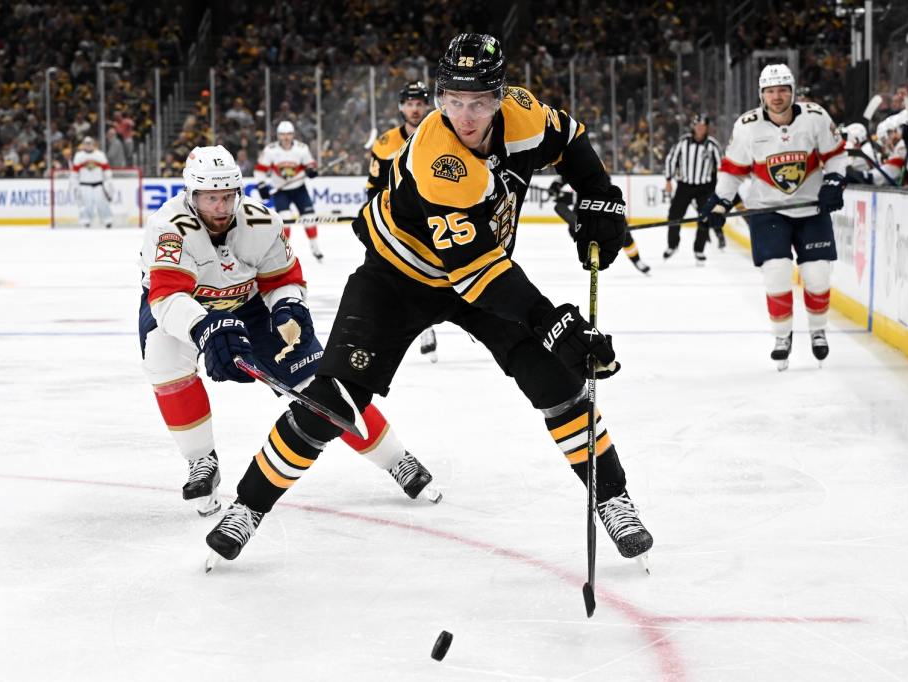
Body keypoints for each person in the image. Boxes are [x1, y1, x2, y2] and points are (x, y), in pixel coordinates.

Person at [205, 34, 653, 569]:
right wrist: (550, 321)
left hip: (484, 271)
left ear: (500, 96)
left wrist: (600, 195)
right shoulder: (439, 157)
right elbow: (477, 274)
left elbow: (572, 142)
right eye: (454, 102)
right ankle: (247, 507)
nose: (466, 116)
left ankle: (613, 498)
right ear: (440, 100)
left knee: (558, 382)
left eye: (479, 103)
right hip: (400, 278)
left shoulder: (524, 113)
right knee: (331, 403)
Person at [139, 145, 442, 517]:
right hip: (184, 306)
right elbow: (168, 296)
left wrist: (287, 305)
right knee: (164, 362)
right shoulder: (168, 227)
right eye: (211, 198)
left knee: (322, 385)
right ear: (192, 194)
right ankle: (201, 460)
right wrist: (204, 327)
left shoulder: (262, 221)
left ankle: (396, 458)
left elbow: (284, 278)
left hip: (249, 305)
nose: (220, 207)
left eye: (227, 197)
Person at [700, 64, 846, 370]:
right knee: (777, 272)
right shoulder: (747, 125)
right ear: (761, 95)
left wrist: (834, 181)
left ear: (792, 91)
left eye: (782, 90)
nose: (776, 97)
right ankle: (783, 336)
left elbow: (836, 155)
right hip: (767, 211)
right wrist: (720, 202)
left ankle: (818, 330)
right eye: (770, 91)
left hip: (812, 209)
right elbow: (733, 169)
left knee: (818, 274)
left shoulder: (815, 117)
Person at [365, 80, 440, 361]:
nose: (415, 109)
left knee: (426, 276)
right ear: (401, 107)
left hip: (430, 220)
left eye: (420, 103)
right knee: (383, 279)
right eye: (410, 103)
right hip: (393, 223)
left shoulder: (441, 137)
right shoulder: (385, 144)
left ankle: (426, 326)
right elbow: (373, 188)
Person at [549, 177, 650, 275]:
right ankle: (591, 250)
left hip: (605, 208)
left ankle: (636, 260)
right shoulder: (578, 169)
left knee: (626, 238)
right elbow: (561, 180)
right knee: (576, 231)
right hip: (585, 207)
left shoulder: (600, 176)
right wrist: (555, 188)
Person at [254, 121, 323, 261]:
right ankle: (284, 251)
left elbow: (310, 164)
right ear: (278, 135)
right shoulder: (270, 150)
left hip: (299, 189)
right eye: (283, 134)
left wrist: (311, 171)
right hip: (281, 191)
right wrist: (261, 185)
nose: (286, 137)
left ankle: (315, 248)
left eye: (289, 134)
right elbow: (260, 170)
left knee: (309, 219)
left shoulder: (302, 148)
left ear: (293, 135)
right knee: (285, 221)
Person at [663, 114, 723, 264]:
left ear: (707, 128)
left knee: (705, 218)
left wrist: (721, 187)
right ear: (693, 126)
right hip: (685, 185)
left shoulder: (712, 145)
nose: (700, 128)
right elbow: (671, 159)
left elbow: (721, 166)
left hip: (705, 187)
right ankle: (673, 245)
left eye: (703, 126)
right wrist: (669, 180)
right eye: (697, 125)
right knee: (674, 216)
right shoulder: (683, 142)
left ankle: (699, 250)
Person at [71, 136, 114, 229]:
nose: (88, 145)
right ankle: (86, 221)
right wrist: (74, 183)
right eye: (86, 144)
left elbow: (106, 169)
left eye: (90, 143)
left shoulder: (100, 155)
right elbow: (74, 172)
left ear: (93, 144)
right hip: (84, 184)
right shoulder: (79, 156)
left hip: (98, 184)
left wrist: (108, 179)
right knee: (86, 203)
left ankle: (108, 220)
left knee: (102, 202)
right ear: (83, 145)